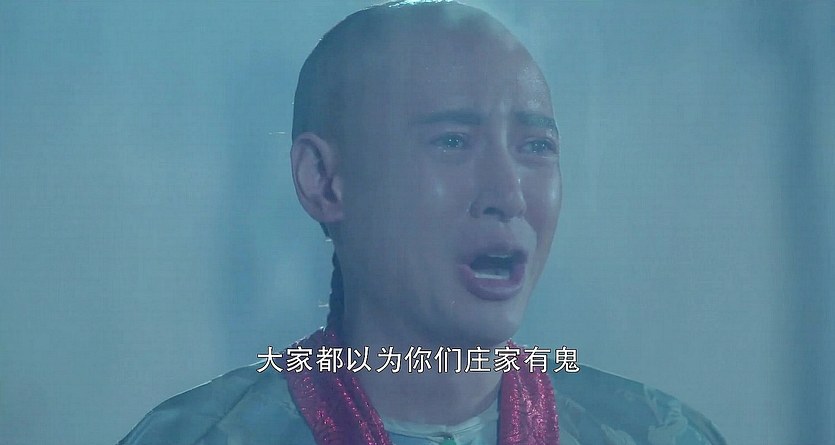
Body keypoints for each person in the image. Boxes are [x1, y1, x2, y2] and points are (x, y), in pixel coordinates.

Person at [120, 2, 726, 444]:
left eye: (536, 147)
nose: (509, 195)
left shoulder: (658, 432)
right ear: (324, 180)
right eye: (453, 141)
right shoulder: (200, 437)